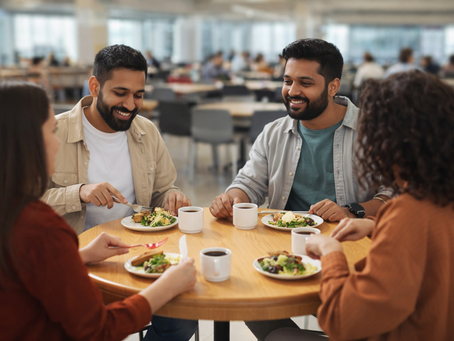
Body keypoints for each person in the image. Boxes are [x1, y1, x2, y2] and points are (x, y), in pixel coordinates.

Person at [0, 81, 197, 340]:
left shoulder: (13, 214)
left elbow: (26, 268)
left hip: (116, 254)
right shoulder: (43, 228)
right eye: (50, 132)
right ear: (26, 143)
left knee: (179, 321)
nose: (57, 143)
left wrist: (77, 256)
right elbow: (99, 330)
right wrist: (166, 287)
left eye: (138, 95)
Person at [265, 70, 454, 340]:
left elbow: (343, 321)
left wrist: (331, 252)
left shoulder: (409, 214)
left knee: (277, 336)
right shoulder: (438, 196)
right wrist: (375, 225)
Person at [210, 38, 391, 226]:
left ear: (333, 87)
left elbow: (394, 194)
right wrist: (231, 200)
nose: (292, 91)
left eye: (305, 83)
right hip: (283, 238)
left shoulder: (373, 131)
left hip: (348, 236)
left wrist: (350, 211)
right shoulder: (273, 133)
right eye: (288, 81)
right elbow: (249, 184)